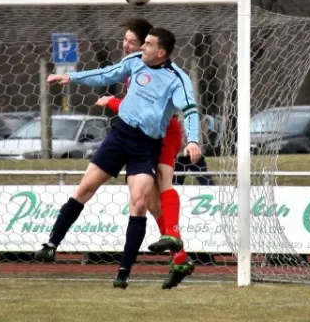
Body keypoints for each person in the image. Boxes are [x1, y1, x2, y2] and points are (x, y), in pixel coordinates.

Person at [35, 27, 201, 289]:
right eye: (137, 42)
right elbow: (106, 73)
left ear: (161, 51)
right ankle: (51, 244)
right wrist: (72, 77)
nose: (137, 48)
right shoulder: (134, 62)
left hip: (147, 145)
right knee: (86, 187)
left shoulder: (177, 78)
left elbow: (190, 110)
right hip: (119, 137)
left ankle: (124, 272)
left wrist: (193, 139)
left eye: (143, 43)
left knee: (139, 203)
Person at [95, 18, 194, 289]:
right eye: (125, 40)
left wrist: (112, 101)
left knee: (163, 182)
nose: (126, 45)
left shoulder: (153, 67)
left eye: (132, 42)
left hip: (163, 133)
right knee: (150, 203)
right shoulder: (133, 66)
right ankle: (181, 258)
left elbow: (148, 109)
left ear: (146, 47)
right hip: (140, 138)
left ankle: (175, 242)